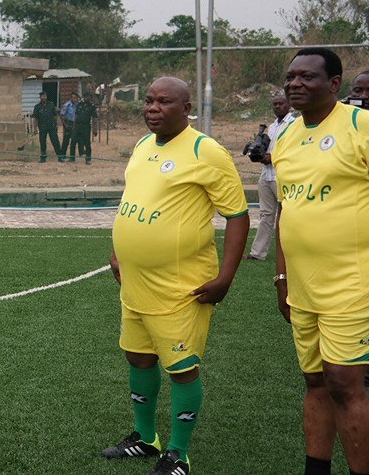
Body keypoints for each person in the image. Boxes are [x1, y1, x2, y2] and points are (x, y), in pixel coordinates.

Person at [104, 77, 249, 475]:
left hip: (181, 286)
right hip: (134, 281)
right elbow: (133, 200)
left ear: (186, 108)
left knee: (181, 367)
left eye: (163, 102)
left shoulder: (207, 151)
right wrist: (119, 251)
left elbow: (237, 215)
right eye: (148, 100)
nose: (152, 107)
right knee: (137, 355)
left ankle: (178, 454)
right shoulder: (142, 145)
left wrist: (226, 277)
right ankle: (145, 438)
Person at [272, 48, 369, 475]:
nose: (295, 84)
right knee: (314, 381)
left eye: (307, 77)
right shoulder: (286, 136)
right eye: (290, 77)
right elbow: (284, 210)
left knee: (346, 385)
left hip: (353, 282)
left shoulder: (360, 126)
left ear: (334, 84)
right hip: (303, 285)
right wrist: (282, 276)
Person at [244, 93, 294, 261]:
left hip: (282, 175)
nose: (278, 106)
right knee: (266, 214)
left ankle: (290, 251)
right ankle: (258, 253)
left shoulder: (294, 124)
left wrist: (272, 157)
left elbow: (292, 148)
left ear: (289, 104)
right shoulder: (272, 127)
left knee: (287, 216)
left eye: (281, 103)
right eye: (275, 104)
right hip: (266, 174)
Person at [31, 91, 62, 163]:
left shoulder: (51, 104)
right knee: (42, 142)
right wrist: (35, 128)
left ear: (46, 97)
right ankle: (43, 158)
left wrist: (56, 123)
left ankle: (60, 157)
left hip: (52, 126)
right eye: (41, 96)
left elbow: (55, 115)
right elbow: (35, 118)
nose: (43, 98)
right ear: (40, 98)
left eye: (44, 96)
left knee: (55, 141)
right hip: (42, 127)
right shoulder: (37, 107)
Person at [73, 93, 99, 164]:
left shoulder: (92, 106)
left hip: (86, 126)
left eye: (88, 96)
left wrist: (95, 130)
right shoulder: (79, 105)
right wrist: (74, 126)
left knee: (87, 143)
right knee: (74, 140)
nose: (87, 98)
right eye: (85, 96)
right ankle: (72, 157)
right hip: (78, 125)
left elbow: (94, 118)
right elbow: (76, 116)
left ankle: (88, 158)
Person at [60, 92, 79, 162]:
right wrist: (65, 124)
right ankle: (62, 156)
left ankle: (72, 157)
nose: (75, 99)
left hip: (74, 124)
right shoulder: (67, 105)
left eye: (76, 98)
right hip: (67, 123)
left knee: (73, 141)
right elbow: (61, 115)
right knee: (66, 140)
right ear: (70, 98)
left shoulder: (77, 105)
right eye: (73, 98)